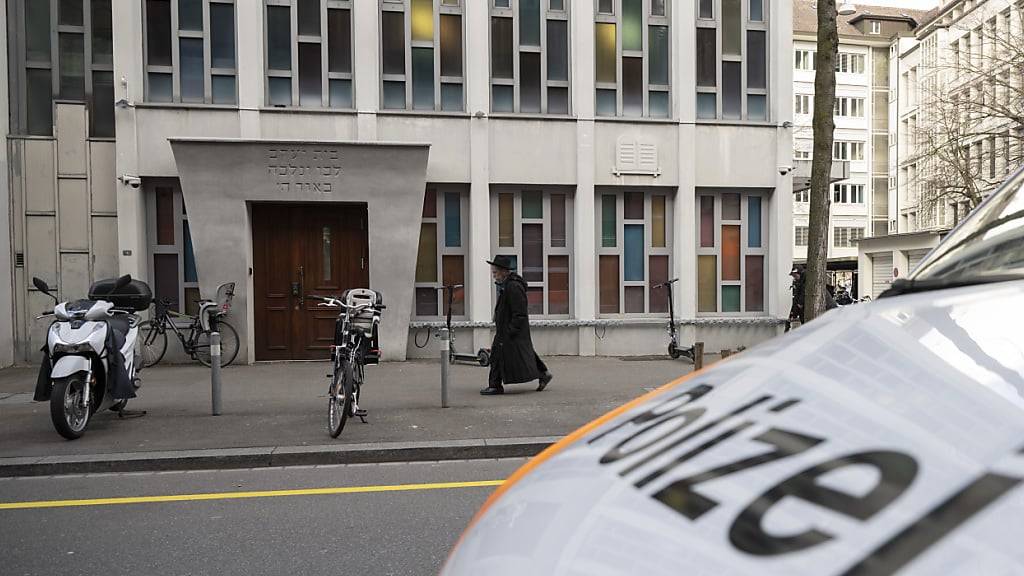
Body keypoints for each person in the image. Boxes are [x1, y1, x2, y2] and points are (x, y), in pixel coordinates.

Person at [481, 255, 553, 396]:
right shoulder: (507, 285)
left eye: (495, 272)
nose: (493, 275)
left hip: (510, 331)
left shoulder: (513, 287)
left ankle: (495, 385)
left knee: (501, 356)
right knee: (523, 355)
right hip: (508, 330)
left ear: (503, 271)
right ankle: (543, 373)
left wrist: (511, 331)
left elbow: (520, 313)